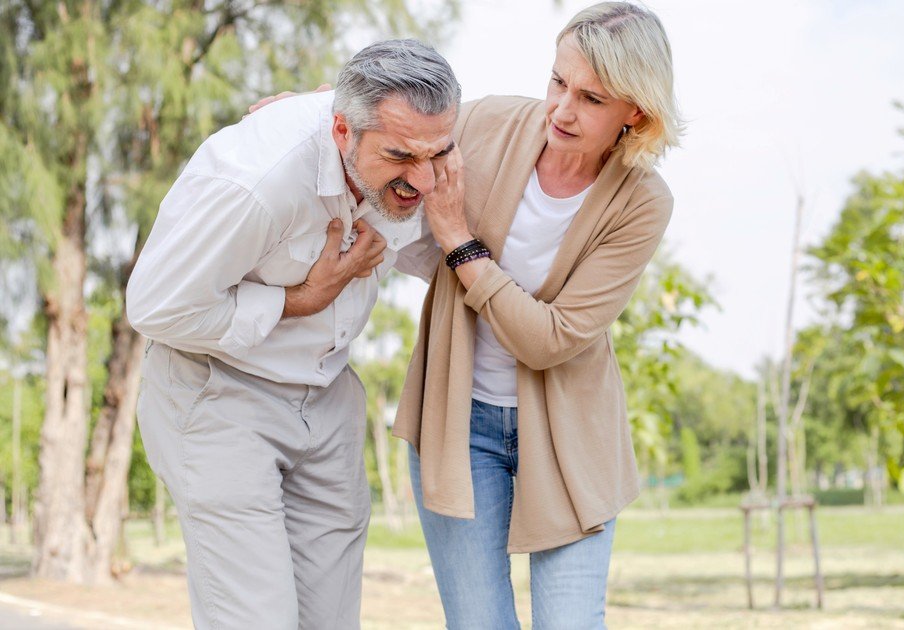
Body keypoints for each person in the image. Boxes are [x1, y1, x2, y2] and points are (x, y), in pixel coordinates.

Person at [127, 39, 459, 630]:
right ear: (340, 130)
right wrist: (301, 300)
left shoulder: (410, 141)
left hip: (327, 399)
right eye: (400, 157)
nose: (425, 180)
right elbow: (156, 307)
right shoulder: (256, 181)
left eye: (437, 154)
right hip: (219, 398)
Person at [399, 3, 682, 627]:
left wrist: (458, 242)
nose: (561, 109)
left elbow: (550, 339)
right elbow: (392, 124)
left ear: (635, 112)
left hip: (567, 438)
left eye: (590, 98)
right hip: (458, 424)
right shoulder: (491, 122)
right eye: (558, 82)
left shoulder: (642, 204)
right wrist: (311, 108)